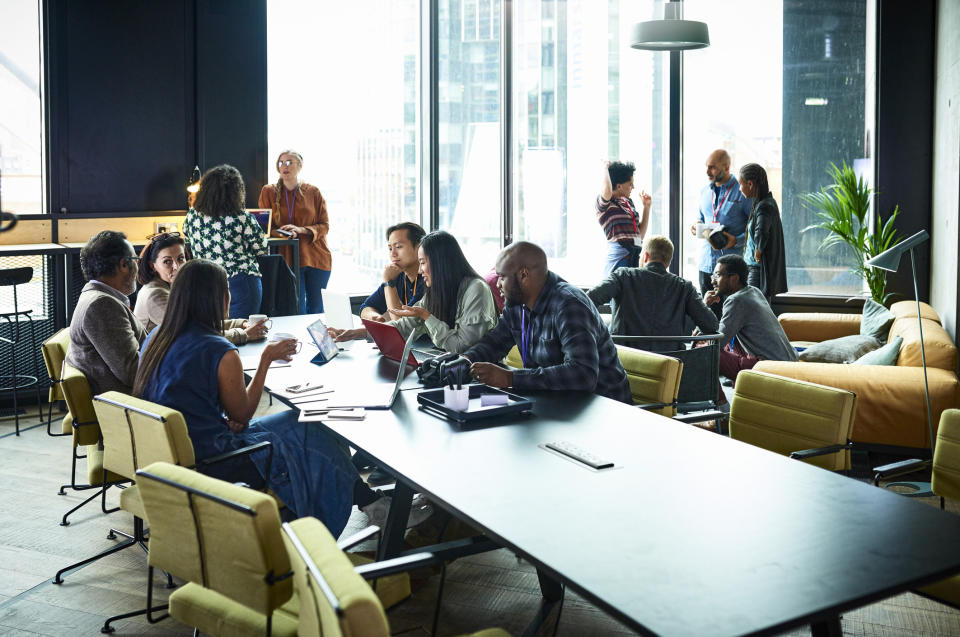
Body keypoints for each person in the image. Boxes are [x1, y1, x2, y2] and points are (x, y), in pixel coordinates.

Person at [133, 259, 431, 536]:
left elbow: (184, 398)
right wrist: (265, 360)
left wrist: (222, 419)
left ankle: (370, 503)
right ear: (215, 297)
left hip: (178, 455)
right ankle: (361, 512)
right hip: (219, 460)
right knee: (313, 429)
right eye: (226, 291)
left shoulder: (157, 337)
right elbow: (243, 414)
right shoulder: (217, 349)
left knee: (306, 424)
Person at [464, 241, 632, 404]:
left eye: (502, 277)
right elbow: (495, 342)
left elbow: (583, 374)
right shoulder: (517, 304)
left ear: (524, 275)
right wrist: (465, 360)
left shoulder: (569, 305)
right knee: (477, 407)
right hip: (555, 402)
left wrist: (510, 378)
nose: (498, 284)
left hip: (602, 410)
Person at [331, 231, 497, 354]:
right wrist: (355, 333)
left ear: (440, 263)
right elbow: (402, 327)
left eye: (423, 263)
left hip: (480, 376)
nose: (420, 270)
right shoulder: (437, 291)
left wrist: (426, 316)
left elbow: (460, 347)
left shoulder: (476, 289)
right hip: (453, 370)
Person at [132, 231, 269, 344]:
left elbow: (199, 324)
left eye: (180, 258)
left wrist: (241, 324)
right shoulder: (155, 295)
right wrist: (243, 334)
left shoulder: (171, 286)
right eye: (167, 261)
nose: (176, 267)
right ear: (152, 265)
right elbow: (194, 334)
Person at [587, 235, 718, 352]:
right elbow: (711, 325)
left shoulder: (623, 276)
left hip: (624, 360)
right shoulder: (684, 287)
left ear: (646, 256)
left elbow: (588, 299)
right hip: (669, 365)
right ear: (668, 262)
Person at [65, 230, 146, 395]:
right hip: (129, 406)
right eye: (136, 260)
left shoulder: (96, 297)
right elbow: (132, 373)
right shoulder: (102, 305)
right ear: (124, 264)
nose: (138, 267)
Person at [185, 164, 268, 319]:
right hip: (239, 282)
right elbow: (262, 248)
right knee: (243, 334)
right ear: (236, 192)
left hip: (206, 282)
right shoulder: (241, 217)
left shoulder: (193, 216)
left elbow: (189, 238)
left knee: (214, 334)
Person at [258, 150, 332, 314]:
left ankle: (316, 340)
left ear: (300, 166)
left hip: (317, 258)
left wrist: (302, 230)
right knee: (297, 310)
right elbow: (263, 228)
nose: (284, 166)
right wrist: (281, 233)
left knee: (317, 309)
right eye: (281, 163)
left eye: (289, 162)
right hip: (289, 259)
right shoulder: (268, 192)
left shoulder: (313, 192)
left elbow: (325, 226)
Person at [703, 254, 797, 381]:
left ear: (734, 278)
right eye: (713, 275)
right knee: (725, 337)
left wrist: (704, 307)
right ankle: (740, 386)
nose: (713, 281)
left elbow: (716, 344)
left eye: (718, 275)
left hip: (772, 367)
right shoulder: (754, 291)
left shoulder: (736, 301)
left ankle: (721, 400)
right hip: (789, 360)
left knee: (707, 352)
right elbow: (723, 332)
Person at [690, 149, 752, 309]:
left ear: (726, 166)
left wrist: (736, 241)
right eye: (706, 167)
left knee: (732, 315)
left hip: (730, 271)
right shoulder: (704, 191)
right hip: (706, 265)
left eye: (712, 167)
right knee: (708, 316)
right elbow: (701, 218)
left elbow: (754, 228)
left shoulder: (742, 192)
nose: (707, 171)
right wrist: (697, 227)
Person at [358, 222, 427, 322]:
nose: (393, 254)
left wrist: (388, 282)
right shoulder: (398, 275)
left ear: (419, 247)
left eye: (398, 247)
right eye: (390, 248)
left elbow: (402, 323)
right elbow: (365, 307)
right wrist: (377, 318)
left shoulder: (428, 278)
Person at [739, 163, 787, 301]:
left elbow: (762, 230)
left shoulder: (764, 205)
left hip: (756, 271)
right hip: (756, 270)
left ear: (750, 184)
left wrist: (759, 249)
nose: (740, 188)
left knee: (756, 312)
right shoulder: (766, 202)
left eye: (740, 184)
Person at [597, 160, 652, 276]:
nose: (633, 187)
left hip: (634, 256)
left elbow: (639, 235)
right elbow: (607, 191)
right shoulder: (605, 204)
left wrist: (646, 207)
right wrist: (605, 168)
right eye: (630, 184)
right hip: (619, 259)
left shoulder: (628, 203)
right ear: (619, 186)